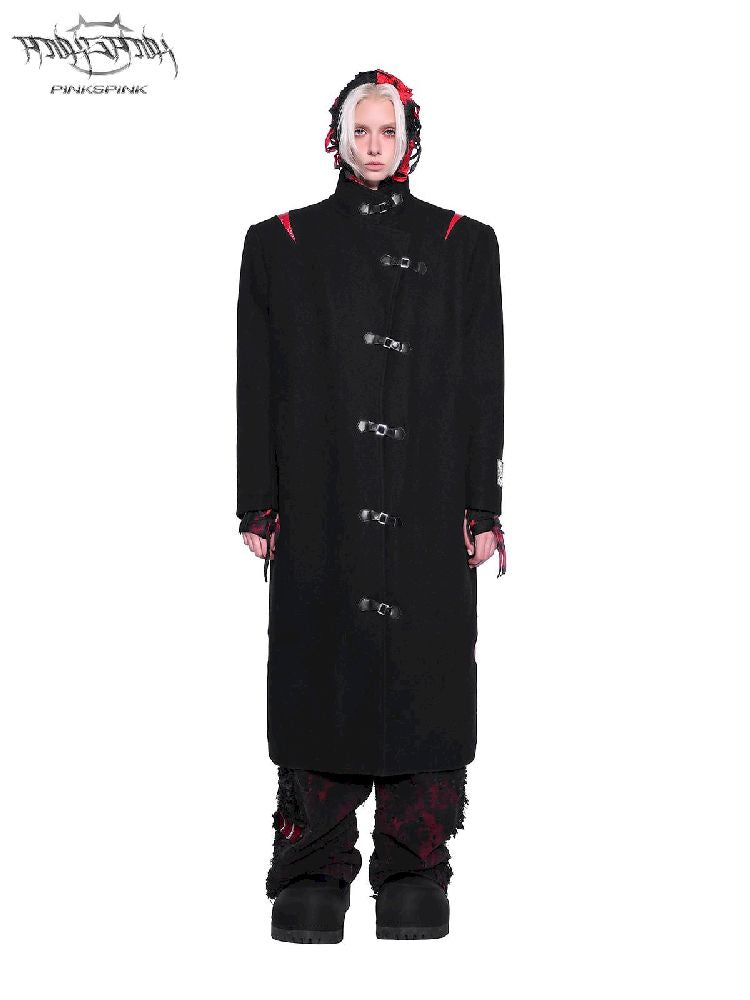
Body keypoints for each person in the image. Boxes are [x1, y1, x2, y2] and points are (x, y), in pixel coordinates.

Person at [236, 68, 506, 942]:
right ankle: (313, 865)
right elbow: (256, 380)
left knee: (425, 669)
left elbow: (483, 384)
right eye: (362, 129)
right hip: (320, 496)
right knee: (318, 665)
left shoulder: (465, 245)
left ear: (410, 137)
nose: (375, 145)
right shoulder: (280, 243)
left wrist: (483, 505)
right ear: (337, 137)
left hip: (429, 496)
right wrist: (258, 502)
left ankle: (415, 865)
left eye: (389, 130)